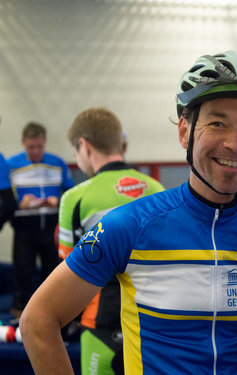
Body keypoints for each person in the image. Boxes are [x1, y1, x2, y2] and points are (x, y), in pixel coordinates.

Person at [20, 50, 237, 375]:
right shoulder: (128, 226)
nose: (236, 143)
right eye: (218, 123)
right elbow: (38, 320)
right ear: (184, 132)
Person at [58, 107, 165, 374]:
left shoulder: (75, 198)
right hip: (155, 324)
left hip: (99, 326)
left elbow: (66, 269)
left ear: (83, 146)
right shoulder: (158, 190)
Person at [7, 122, 74, 318]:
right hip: (24, 226)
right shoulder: (11, 165)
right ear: (23, 143)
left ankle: (52, 314)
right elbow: (5, 198)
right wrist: (20, 203)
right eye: (30, 147)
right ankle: (19, 315)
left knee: (53, 271)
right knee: (23, 271)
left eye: (39, 146)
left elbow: (71, 193)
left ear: (44, 142)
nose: (35, 151)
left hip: (52, 224)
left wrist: (58, 201)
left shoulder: (57, 162)